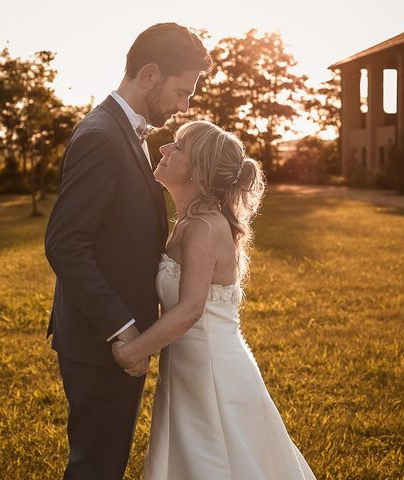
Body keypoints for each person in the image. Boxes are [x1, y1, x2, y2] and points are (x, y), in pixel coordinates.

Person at [44, 24, 212, 479]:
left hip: (118, 338)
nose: (184, 107)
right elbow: (65, 243)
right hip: (101, 340)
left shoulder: (125, 131)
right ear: (151, 74)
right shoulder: (101, 134)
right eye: (182, 92)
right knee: (96, 466)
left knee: (105, 462)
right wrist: (121, 331)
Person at [112, 121, 316, 479]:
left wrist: (133, 351)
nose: (163, 149)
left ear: (198, 169)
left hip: (211, 373)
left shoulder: (204, 228)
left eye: (177, 146)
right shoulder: (187, 223)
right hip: (187, 370)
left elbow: (191, 310)